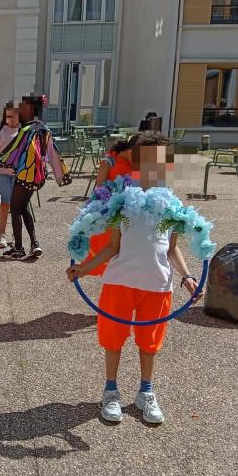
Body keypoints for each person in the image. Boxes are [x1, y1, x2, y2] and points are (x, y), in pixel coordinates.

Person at [66, 133, 202, 425]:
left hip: (157, 284)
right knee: (113, 339)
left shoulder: (172, 204)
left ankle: (146, 392)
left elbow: (172, 248)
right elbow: (112, 247)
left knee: (149, 343)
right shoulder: (122, 200)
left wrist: (188, 277)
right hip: (120, 281)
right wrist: (85, 268)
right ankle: (110, 391)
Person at [0, 94, 50, 259]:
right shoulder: (42, 127)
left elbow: (13, 152)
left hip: (23, 174)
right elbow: (47, 154)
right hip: (33, 175)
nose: (21, 110)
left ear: (29, 109)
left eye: (23, 107)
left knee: (17, 208)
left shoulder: (26, 130)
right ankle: (34, 244)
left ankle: (19, 247)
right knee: (22, 207)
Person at [84, 139, 134, 276]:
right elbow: (99, 189)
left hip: (130, 212)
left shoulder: (136, 163)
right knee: (110, 248)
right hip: (112, 211)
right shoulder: (108, 162)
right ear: (127, 150)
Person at [0, 102, 21, 248]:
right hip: (2, 173)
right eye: (8, 116)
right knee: (5, 203)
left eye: (13, 115)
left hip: (18, 173)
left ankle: (16, 235)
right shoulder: (0, 131)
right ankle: (2, 234)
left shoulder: (23, 131)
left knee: (17, 205)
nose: (10, 119)